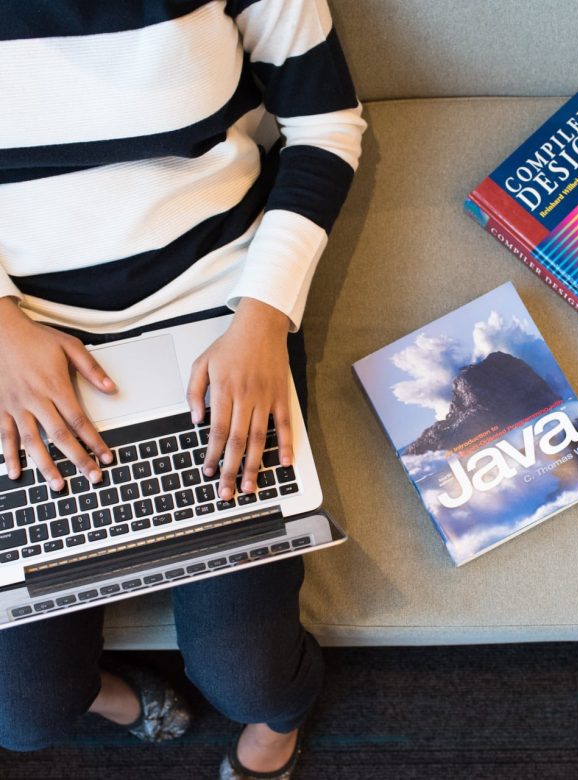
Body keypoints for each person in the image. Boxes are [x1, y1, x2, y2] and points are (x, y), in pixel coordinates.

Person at [0, 1, 366, 777]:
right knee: (21, 712)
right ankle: (108, 695)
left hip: (216, 312)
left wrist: (263, 318)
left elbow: (325, 124)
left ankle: (279, 723)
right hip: (21, 336)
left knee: (251, 674)